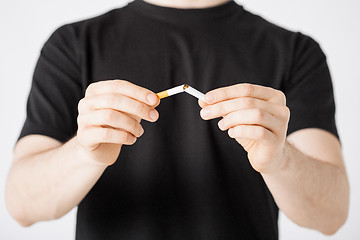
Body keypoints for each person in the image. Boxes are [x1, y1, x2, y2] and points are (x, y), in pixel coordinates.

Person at [5, 0, 349, 239]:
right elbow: (22, 205)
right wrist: (83, 153)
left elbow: (331, 215)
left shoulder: (295, 51)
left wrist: (280, 159)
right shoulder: (73, 45)